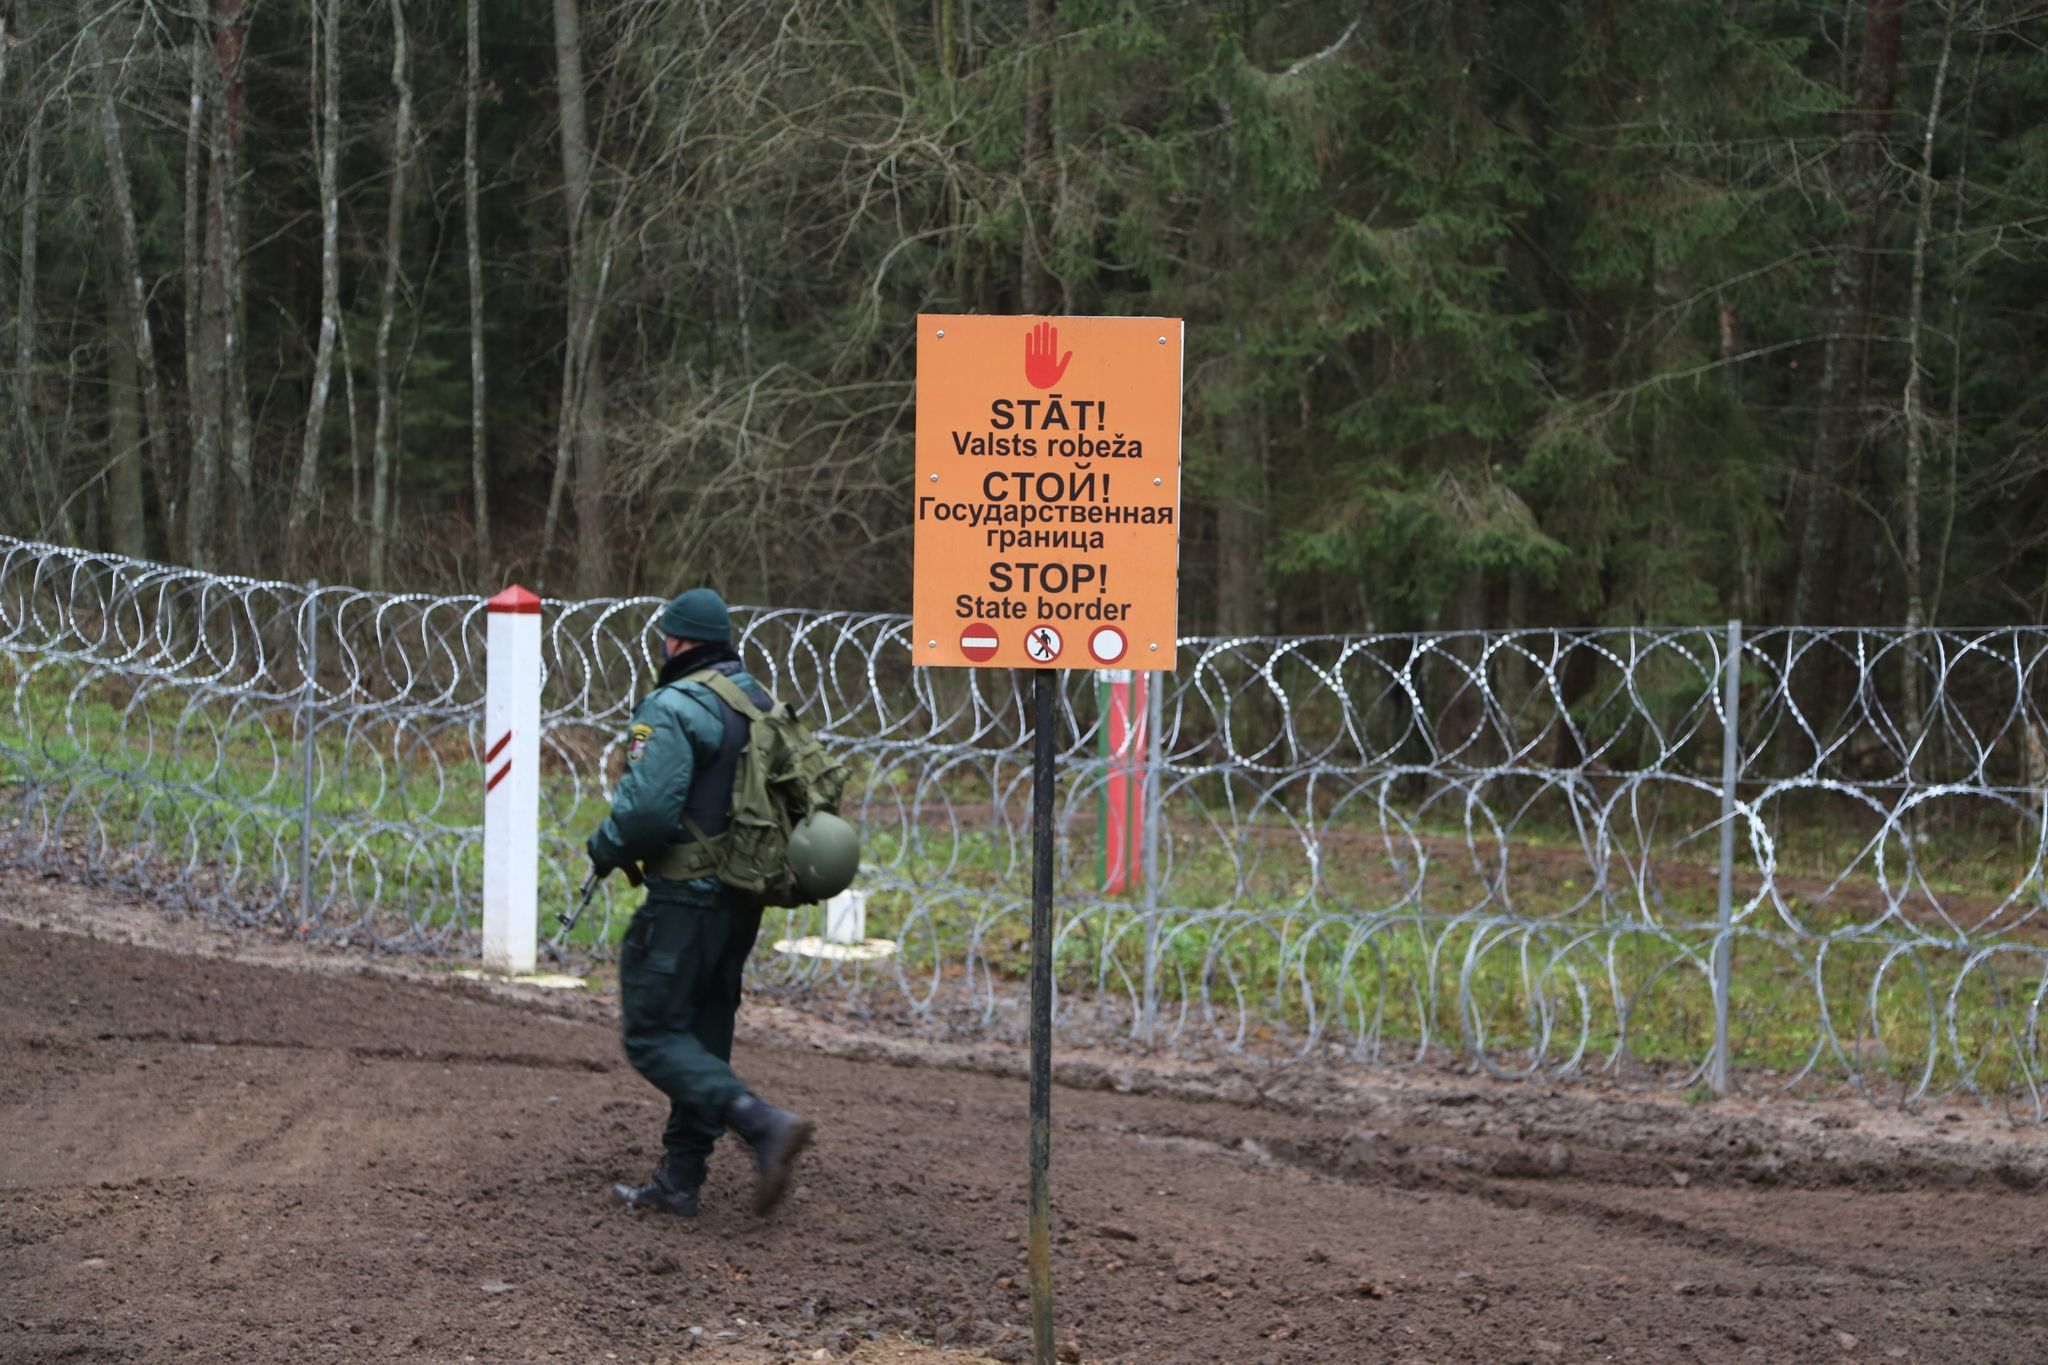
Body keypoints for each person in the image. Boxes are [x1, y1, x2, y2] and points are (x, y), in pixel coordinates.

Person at [587, 587, 813, 1218]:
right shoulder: (758, 704)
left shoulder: (673, 705)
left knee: (654, 1032)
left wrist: (604, 845)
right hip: (743, 895)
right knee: (704, 1035)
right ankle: (680, 1180)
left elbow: (645, 814)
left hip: (686, 897)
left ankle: (761, 1122)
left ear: (676, 641)